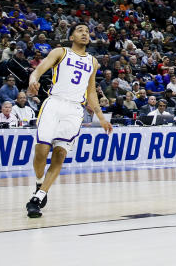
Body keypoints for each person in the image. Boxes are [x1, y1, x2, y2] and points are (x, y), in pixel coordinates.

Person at [26, 24, 112, 217]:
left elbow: (91, 91)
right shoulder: (61, 52)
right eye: (80, 30)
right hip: (54, 103)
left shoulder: (93, 61)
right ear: (72, 35)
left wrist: (101, 118)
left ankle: (38, 197)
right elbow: (39, 70)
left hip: (74, 109)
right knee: (41, 150)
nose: (85, 33)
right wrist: (33, 80)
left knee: (60, 154)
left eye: (87, 32)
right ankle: (39, 181)